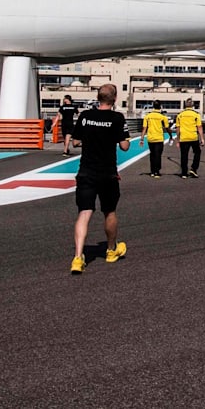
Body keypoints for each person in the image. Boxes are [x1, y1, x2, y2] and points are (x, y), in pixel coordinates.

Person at [70, 83, 132, 274]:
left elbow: (75, 141)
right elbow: (125, 146)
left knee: (84, 212)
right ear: (114, 99)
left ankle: (78, 257)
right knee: (110, 211)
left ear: (98, 98)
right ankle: (111, 250)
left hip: (86, 171)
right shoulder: (117, 118)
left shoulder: (85, 116)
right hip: (107, 173)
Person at [175, 98, 203, 178]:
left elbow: (178, 128)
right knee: (197, 152)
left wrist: (178, 140)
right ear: (193, 105)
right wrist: (202, 138)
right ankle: (194, 168)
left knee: (184, 155)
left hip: (184, 137)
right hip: (193, 137)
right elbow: (199, 127)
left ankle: (184, 173)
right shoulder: (196, 114)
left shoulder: (180, 115)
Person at [142, 102, 170, 178]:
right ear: (160, 106)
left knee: (152, 154)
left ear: (153, 106)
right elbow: (167, 127)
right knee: (158, 155)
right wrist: (170, 136)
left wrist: (141, 139)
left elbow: (144, 128)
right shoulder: (162, 117)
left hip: (150, 138)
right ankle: (157, 171)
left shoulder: (147, 116)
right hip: (159, 138)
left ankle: (152, 171)